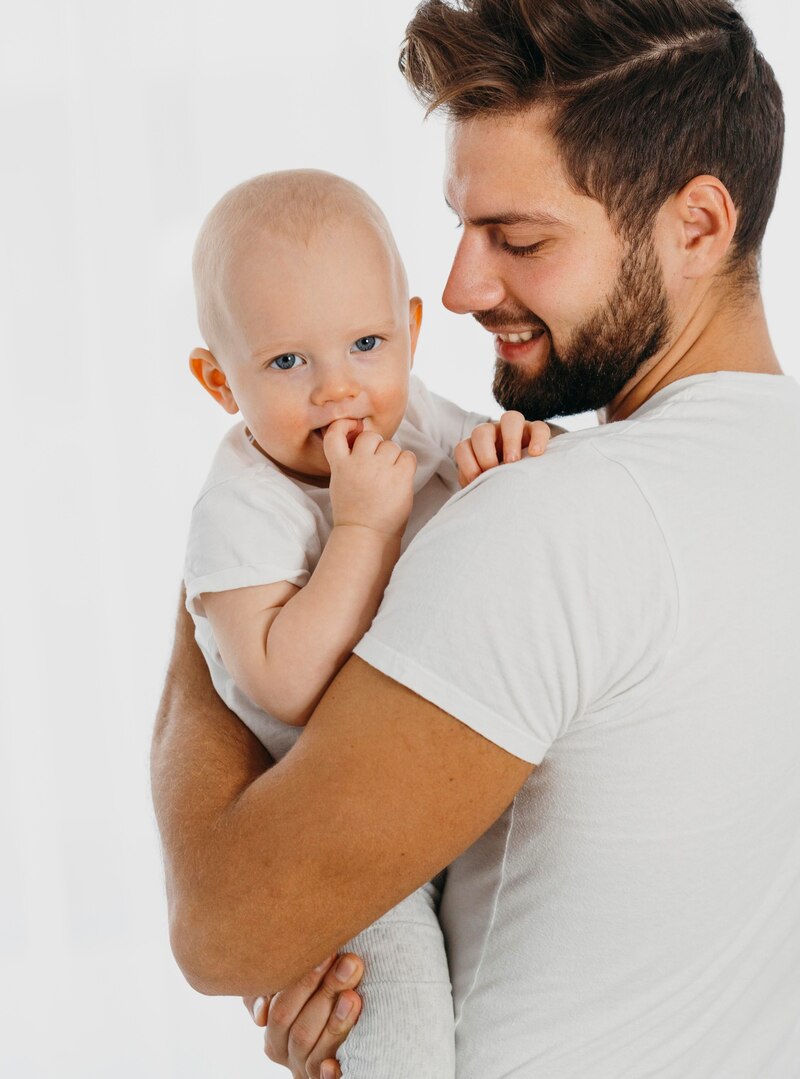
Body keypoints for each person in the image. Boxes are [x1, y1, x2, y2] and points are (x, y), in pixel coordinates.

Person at [152, 0, 800, 1079]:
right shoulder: (793, 482)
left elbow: (225, 925)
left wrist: (236, 541)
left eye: (518, 239)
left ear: (698, 226)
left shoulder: (549, 522)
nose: (460, 289)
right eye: (462, 228)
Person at [181, 167, 553, 1077]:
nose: (339, 389)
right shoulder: (242, 509)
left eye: (365, 342)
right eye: (286, 362)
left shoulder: (418, 418)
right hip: (323, 825)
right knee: (396, 1009)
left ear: (413, 332)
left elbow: (482, 484)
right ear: (218, 382)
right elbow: (287, 682)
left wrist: (500, 458)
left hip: (430, 791)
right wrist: (362, 528)